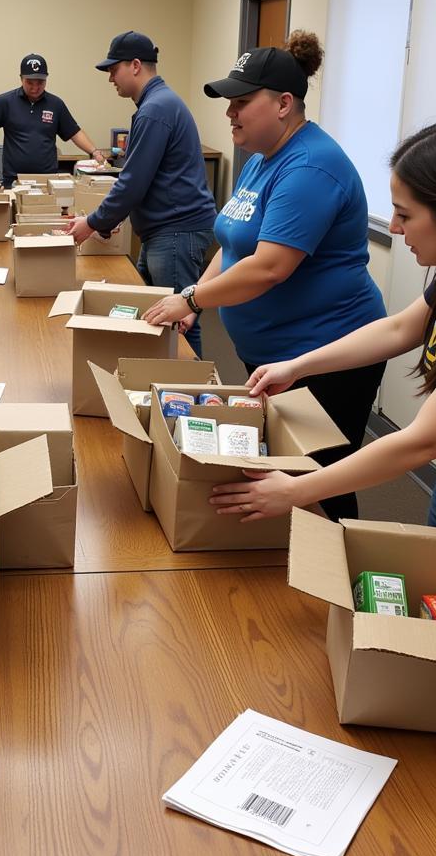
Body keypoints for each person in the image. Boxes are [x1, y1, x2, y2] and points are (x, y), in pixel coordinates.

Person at [211, 115, 436, 618]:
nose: (396, 228)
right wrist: (296, 365)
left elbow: (422, 440)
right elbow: (397, 330)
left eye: (406, 215)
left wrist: (296, 489)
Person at [142, 32, 386, 514]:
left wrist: (192, 301)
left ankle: (336, 574)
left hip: (327, 354)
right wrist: (199, 291)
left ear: (283, 104)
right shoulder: (261, 160)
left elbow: (271, 266)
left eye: (242, 101)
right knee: (281, 469)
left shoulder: (311, 166)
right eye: (229, 102)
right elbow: (233, 244)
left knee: (321, 478)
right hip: (276, 354)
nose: (230, 112)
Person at [65, 31, 217, 358]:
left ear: (135, 66)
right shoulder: (157, 104)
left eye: (113, 69)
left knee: (179, 323)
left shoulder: (155, 109)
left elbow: (133, 182)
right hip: (166, 229)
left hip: (176, 231)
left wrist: (93, 222)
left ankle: (189, 395)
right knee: (152, 314)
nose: (110, 78)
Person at [0, 53, 105, 187]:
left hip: (48, 181)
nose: (35, 87)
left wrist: (95, 152)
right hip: (14, 181)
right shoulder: (6, 102)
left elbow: (74, 132)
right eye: (30, 82)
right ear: (21, 78)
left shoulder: (56, 104)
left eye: (40, 82)